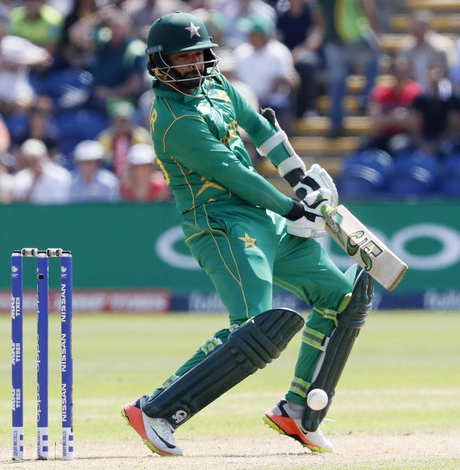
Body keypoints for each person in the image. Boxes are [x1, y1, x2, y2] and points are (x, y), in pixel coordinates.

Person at [121, 11, 374, 457]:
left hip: (261, 216)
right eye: (183, 58)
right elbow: (234, 175)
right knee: (254, 330)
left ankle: (299, 409)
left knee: (343, 298)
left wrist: (299, 178)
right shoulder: (174, 120)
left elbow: (261, 129)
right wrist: (293, 207)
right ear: (160, 63)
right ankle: (156, 410)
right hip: (221, 224)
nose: (195, 65)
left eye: (200, 55)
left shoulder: (217, 86)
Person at [316, 0, 382, 137]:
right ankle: (365, 99)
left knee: (337, 84)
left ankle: (336, 125)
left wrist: (327, 33)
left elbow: (318, 15)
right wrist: (377, 34)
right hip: (354, 36)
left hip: (333, 41)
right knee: (375, 58)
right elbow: (367, 7)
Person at [233, 15, 299, 132]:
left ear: (263, 35)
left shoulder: (279, 52)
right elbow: (235, 79)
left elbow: (289, 79)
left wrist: (263, 98)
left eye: (254, 34)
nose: (251, 36)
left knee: (277, 104)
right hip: (246, 100)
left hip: (271, 100)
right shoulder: (240, 52)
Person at [96, 100, 150, 181]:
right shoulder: (104, 138)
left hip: (136, 178)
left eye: (125, 121)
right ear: (113, 122)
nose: (122, 125)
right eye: (119, 121)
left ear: (132, 121)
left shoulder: (142, 136)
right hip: (111, 176)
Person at [12, 138, 71, 203]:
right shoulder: (20, 178)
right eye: (28, 161)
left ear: (44, 156)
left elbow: (60, 203)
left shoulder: (60, 176)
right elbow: (20, 203)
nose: (33, 164)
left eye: (35, 159)